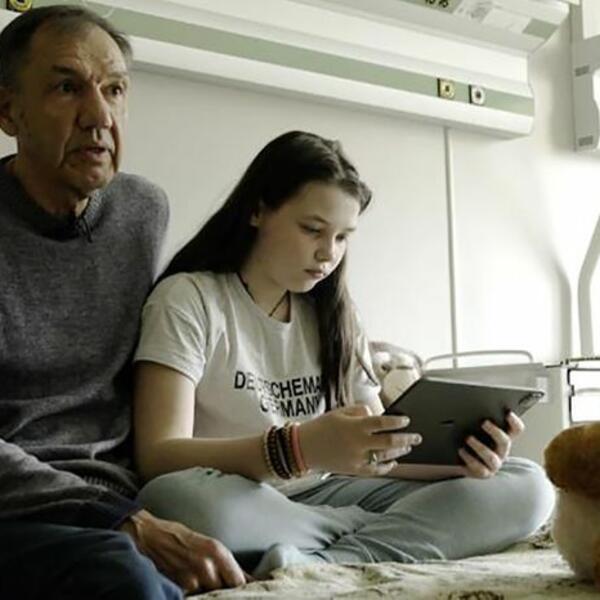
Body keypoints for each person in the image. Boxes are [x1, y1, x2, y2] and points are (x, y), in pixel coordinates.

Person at [133, 130, 556, 578]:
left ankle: (324, 560)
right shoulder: (189, 300)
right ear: (257, 210)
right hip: (244, 497)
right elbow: (158, 456)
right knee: (173, 499)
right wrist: (297, 449)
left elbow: (380, 455)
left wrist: (464, 461)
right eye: (313, 230)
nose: (327, 253)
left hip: (338, 492)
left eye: (342, 237)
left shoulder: (333, 313)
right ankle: (375, 537)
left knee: (528, 484)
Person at [0, 6, 247, 599]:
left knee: (264, 541)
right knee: (125, 577)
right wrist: (121, 520)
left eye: (114, 89)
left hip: (135, 492)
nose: (99, 116)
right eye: (67, 88)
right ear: (8, 111)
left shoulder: (141, 212)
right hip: (21, 505)